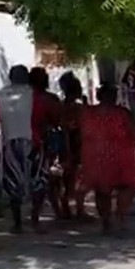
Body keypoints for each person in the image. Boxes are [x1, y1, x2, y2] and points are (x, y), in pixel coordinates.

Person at [80, 84, 135, 234]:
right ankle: (119, 217)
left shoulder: (89, 113)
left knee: (101, 191)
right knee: (128, 187)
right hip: (120, 157)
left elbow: (81, 134)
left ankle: (106, 222)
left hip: (96, 157)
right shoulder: (122, 114)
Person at [0, 65, 48, 233]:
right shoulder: (34, 95)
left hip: (9, 144)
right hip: (33, 142)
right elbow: (41, 120)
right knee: (39, 181)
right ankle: (35, 219)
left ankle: (17, 223)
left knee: (13, 184)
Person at [30, 67, 64, 225]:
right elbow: (57, 120)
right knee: (50, 177)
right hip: (46, 141)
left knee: (42, 178)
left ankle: (47, 212)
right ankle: (47, 212)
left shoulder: (26, 98)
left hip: (29, 141)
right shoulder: (50, 99)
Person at [59, 73, 86, 220]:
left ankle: (66, 208)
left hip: (68, 146)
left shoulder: (62, 106)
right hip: (76, 145)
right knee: (78, 178)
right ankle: (79, 209)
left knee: (68, 179)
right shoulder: (77, 107)